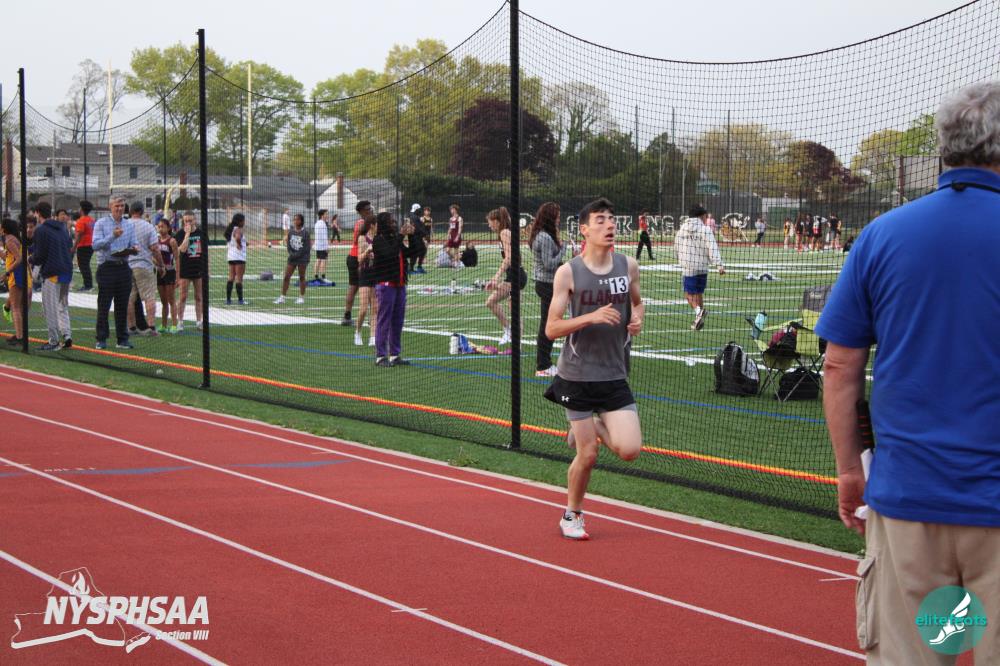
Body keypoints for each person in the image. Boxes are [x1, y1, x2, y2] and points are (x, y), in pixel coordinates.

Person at [817, 81, 1000, 665]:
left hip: (910, 505)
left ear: (945, 147)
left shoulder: (884, 234)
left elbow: (839, 365)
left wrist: (851, 470)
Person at [543, 197, 644, 540]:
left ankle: (591, 424)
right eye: (600, 220)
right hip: (576, 376)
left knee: (629, 450)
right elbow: (551, 328)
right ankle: (571, 515)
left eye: (612, 219)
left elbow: (638, 303)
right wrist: (591, 317)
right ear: (584, 229)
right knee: (588, 454)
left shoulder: (628, 266)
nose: (609, 225)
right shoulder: (568, 272)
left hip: (614, 373)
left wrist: (638, 319)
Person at [371, 212, 416, 367]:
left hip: (399, 285)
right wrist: (401, 236)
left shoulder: (394, 238)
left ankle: (395, 355)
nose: (394, 224)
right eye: (390, 222)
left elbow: (411, 252)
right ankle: (380, 356)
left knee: (398, 321)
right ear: (384, 224)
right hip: (386, 285)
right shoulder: (378, 240)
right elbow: (390, 253)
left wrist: (411, 236)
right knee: (384, 320)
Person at [91, 195, 136, 349]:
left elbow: (134, 243)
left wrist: (135, 248)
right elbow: (95, 245)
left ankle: (122, 339)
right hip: (107, 267)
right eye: (117, 205)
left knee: (122, 305)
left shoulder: (129, 224)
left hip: (123, 267)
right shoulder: (101, 223)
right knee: (104, 305)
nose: (120, 208)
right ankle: (101, 338)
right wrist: (112, 236)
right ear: (110, 207)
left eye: (122, 205)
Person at [29, 201, 74, 350]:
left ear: (38, 213)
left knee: (50, 308)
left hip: (52, 273)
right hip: (66, 271)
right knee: (62, 305)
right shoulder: (62, 228)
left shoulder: (41, 230)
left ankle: (53, 341)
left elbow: (39, 256)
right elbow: (68, 247)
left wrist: (30, 259)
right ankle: (67, 335)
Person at [530, 201, 567, 377]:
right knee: (548, 324)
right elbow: (549, 264)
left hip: (548, 283)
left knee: (550, 323)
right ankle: (543, 365)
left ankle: (545, 363)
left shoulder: (543, 235)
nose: (559, 220)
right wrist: (564, 249)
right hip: (547, 284)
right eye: (557, 217)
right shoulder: (544, 237)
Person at [675, 205, 725, 331]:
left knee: (688, 294)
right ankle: (699, 319)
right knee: (699, 293)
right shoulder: (705, 229)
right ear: (701, 216)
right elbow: (712, 247)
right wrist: (719, 265)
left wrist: (678, 258)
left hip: (688, 266)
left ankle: (698, 312)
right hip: (702, 266)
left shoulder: (682, 229)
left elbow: (676, 246)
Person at [484, 206, 524, 346]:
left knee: (514, 310)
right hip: (513, 275)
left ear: (496, 221)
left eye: (490, 222)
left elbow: (509, 257)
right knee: (491, 302)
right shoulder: (504, 232)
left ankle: (516, 344)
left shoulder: (504, 232)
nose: (489, 225)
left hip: (516, 276)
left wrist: (496, 277)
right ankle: (508, 330)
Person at [126, 202, 165, 337]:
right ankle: (151, 326)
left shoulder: (124, 225)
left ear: (130, 211)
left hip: (127, 265)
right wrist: (161, 265)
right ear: (142, 212)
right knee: (149, 297)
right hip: (143, 265)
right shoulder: (148, 226)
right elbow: (154, 248)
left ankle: (131, 327)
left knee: (130, 298)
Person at [341, 200, 374, 327]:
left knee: (353, 287)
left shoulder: (360, 222)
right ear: (361, 211)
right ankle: (371, 318)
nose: (370, 210)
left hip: (354, 256)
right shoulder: (363, 223)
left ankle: (347, 316)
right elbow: (362, 240)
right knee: (368, 287)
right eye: (367, 209)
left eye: (370, 208)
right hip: (360, 258)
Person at [0, 218, 30, 346]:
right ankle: (20, 335)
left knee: (16, 307)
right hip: (22, 274)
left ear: (4, 228)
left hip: (16, 275)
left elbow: (19, 259)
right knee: (19, 307)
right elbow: (9, 257)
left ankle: (19, 337)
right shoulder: (15, 239)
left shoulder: (9, 240)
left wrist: (6, 273)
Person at [174, 211, 205, 332]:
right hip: (185, 269)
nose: (188, 223)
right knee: (182, 296)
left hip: (198, 269)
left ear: (194, 220)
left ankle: (199, 321)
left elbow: (205, 252)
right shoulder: (180, 234)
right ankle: (180, 322)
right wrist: (187, 234)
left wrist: (207, 269)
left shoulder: (201, 233)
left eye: (190, 220)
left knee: (199, 296)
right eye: (185, 220)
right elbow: (182, 249)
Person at [275, 213, 310, 305]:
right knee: (286, 276)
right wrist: (292, 254)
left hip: (302, 258)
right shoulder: (291, 232)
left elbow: (306, 248)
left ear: (301, 221)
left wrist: (297, 254)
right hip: (292, 258)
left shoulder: (305, 233)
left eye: (297, 219)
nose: (295, 221)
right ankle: (282, 297)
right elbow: (288, 245)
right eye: (294, 219)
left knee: (302, 277)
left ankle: (301, 297)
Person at [354, 214, 378, 346]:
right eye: (376, 224)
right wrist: (368, 252)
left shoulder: (378, 238)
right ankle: (357, 332)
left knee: (375, 308)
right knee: (363, 308)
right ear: (372, 225)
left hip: (376, 274)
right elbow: (359, 259)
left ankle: (372, 336)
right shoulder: (362, 238)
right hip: (365, 274)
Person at [156, 219, 179, 332]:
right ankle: (164, 325)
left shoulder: (172, 241)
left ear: (168, 228)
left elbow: (177, 259)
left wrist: (178, 276)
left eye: (163, 227)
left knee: (171, 300)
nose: (160, 229)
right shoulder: (156, 240)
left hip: (170, 272)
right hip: (160, 273)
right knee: (163, 301)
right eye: (159, 226)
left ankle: (174, 324)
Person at [72, 199, 95, 291]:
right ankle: (88, 284)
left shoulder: (81, 221)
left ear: (81, 209)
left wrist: (74, 247)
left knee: (83, 266)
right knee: (86, 265)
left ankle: (88, 285)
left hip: (83, 245)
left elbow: (79, 235)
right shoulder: (91, 220)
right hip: (91, 245)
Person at [225, 213, 247, 305]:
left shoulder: (231, 229)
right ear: (240, 221)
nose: (244, 222)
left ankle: (228, 300)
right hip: (239, 257)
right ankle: (240, 300)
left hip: (231, 256)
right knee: (239, 278)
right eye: (243, 221)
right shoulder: (238, 229)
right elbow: (237, 237)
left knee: (231, 277)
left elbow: (234, 239)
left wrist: (244, 243)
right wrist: (239, 244)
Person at [406, 203, 428, 274]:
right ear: (416, 209)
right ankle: (412, 269)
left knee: (421, 250)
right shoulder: (414, 217)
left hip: (413, 237)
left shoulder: (411, 215)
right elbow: (418, 228)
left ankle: (416, 267)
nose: (420, 211)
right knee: (416, 252)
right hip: (415, 237)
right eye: (419, 209)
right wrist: (425, 234)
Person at [312, 209, 330, 285]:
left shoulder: (317, 223)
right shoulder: (322, 224)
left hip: (318, 245)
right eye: (326, 214)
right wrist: (327, 247)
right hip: (322, 246)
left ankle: (316, 276)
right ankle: (323, 277)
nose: (327, 215)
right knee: (323, 261)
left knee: (318, 260)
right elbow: (324, 237)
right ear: (322, 215)